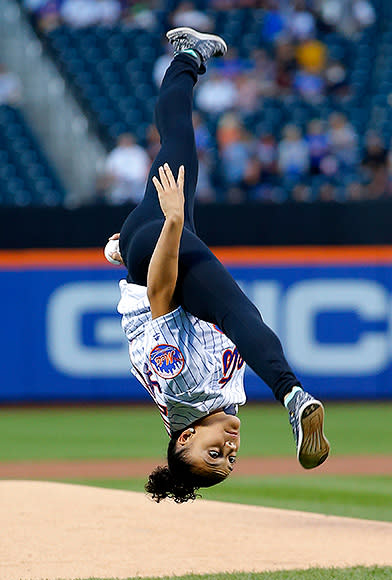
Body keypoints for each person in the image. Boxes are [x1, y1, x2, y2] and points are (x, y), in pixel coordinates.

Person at [106, 27, 330, 503]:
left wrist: (171, 223)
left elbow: (161, 291)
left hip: (156, 255)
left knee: (238, 313)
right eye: (230, 460)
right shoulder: (221, 400)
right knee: (179, 140)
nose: (229, 450)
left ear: (186, 437)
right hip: (157, 248)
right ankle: (189, 55)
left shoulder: (180, 385)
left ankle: (291, 395)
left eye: (213, 455)